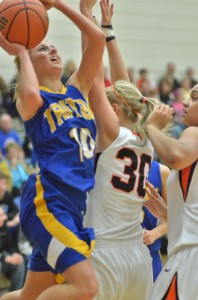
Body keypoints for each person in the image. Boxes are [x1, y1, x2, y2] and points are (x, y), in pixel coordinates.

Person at [0, 0, 106, 299]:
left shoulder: (77, 88)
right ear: (29, 66)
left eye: (53, 46)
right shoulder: (31, 100)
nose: (53, 51)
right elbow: (30, 90)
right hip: (49, 202)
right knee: (86, 287)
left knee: (28, 296)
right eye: (42, 50)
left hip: (75, 206)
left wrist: (58, 5)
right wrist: (21, 50)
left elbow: (97, 40)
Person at [83, 1, 161, 299]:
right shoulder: (147, 139)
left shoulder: (112, 135)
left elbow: (92, 77)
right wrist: (108, 32)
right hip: (138, 256)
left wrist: (85, 18)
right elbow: (126, 88)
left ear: (115, 109)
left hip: (104, 254)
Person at [144, 83, 198, 299]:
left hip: (191, 256)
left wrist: (153, 127)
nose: (186, 102)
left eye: (194, 98)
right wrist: (168, 213)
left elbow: (175, 156)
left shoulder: (194, 132)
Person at [142, 160, 170, 281]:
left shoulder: (161, 171)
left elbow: (176, 216)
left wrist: (155, 233)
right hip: (115, 250)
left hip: (149, 251)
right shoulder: (109, 164)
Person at [0, 207, 26, 293]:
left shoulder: (4, 227)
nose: (5, 217)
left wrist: (14, 253)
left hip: (3, 256)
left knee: (19, 261)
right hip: (2, 258)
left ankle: (15, 293)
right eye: (1, 215)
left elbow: (9, 246)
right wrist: (5, 258)